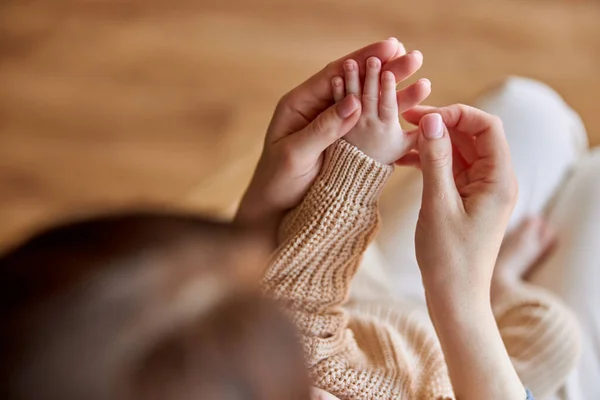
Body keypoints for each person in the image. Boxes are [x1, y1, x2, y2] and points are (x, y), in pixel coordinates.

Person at [0, 38, 588, 400]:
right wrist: (471, 301)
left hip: (386, 313)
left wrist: (269, 208)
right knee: (559, 324)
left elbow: (296, 310)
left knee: (529, 111)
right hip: (480, 363)